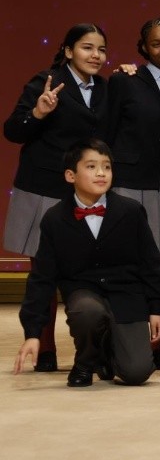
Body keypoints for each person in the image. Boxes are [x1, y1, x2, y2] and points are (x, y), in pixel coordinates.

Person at [12, 139, 160, 387]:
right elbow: (42, 278)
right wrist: (32, 333)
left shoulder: (131, 211)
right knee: (88, 311)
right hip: (84, 295)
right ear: (70, 175)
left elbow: (151, 263)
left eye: (107, 167)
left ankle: (105, 350)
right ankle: (84, 361)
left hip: (127, 296)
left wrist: (156, 308)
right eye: (92, 166)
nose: (101, 173)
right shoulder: (55, 219)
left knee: (137, 373)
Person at [4, 23, 114, 373]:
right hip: (45, 187)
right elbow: (12, 131)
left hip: (86, 188)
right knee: (43, 270)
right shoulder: (45, 82)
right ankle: (45, 348)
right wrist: (38, 112)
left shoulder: (106, 88)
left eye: (101, 49)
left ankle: (95, 348)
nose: (95, 55)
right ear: (67, 51)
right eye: (86, 48)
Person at [107, 17, 160, 369]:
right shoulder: (125, 82)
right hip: (130, 179)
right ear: (144, 49)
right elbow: (107, 131)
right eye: (156, 44)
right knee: (130, 261)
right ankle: (121, 342)